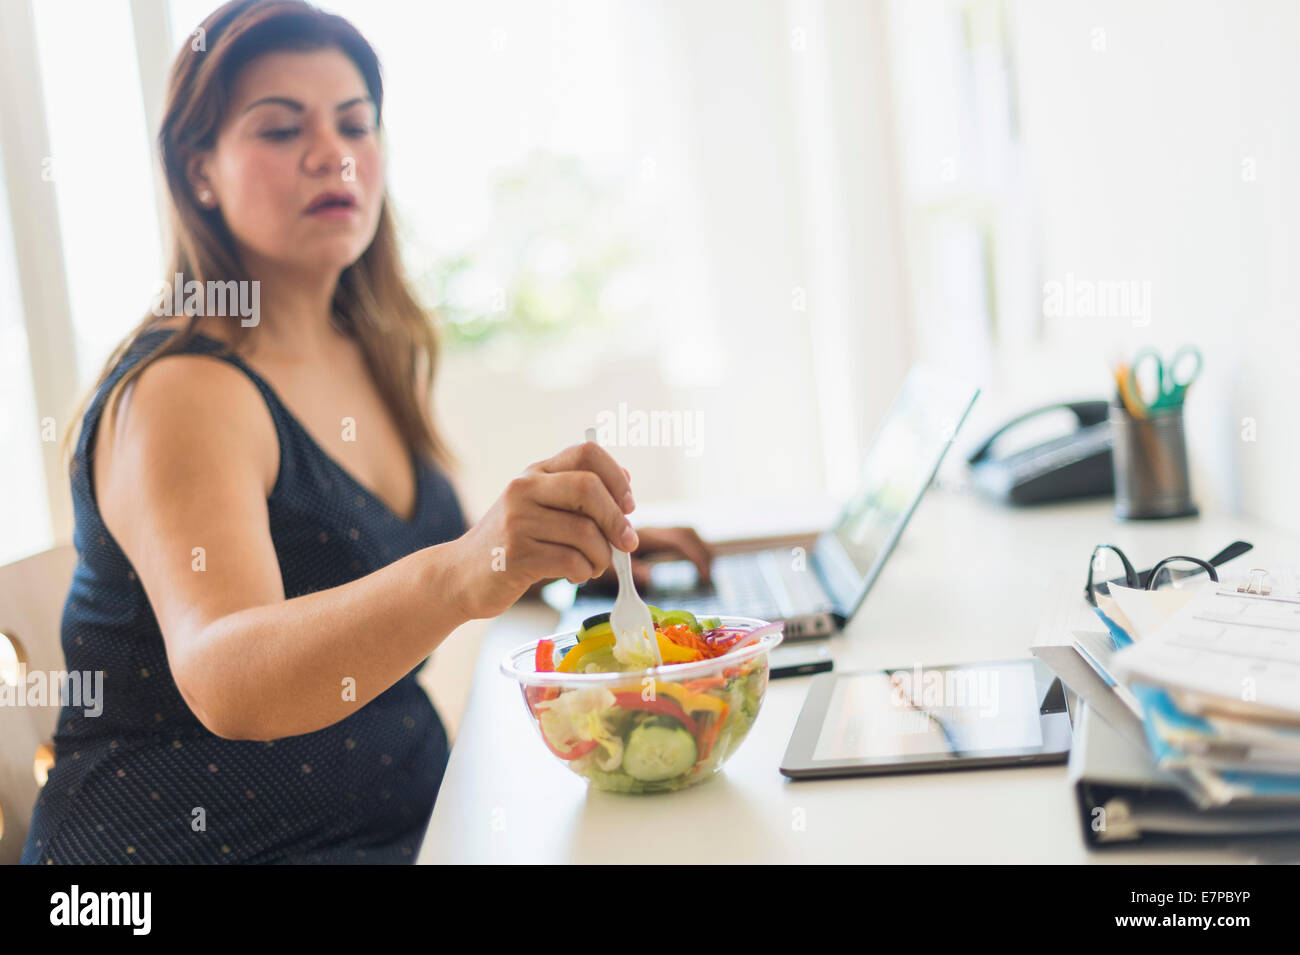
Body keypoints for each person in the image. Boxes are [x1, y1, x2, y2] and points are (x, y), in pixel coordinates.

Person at [22, 0, 712, 865]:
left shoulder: (369, 349)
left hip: (409, 830)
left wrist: (555, 554)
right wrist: (466, 567)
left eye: (355, 123)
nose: (333, 152)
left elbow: (391, 581)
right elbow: (225, 675)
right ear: (199, 170)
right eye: (280, 130)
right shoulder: (182, 388)